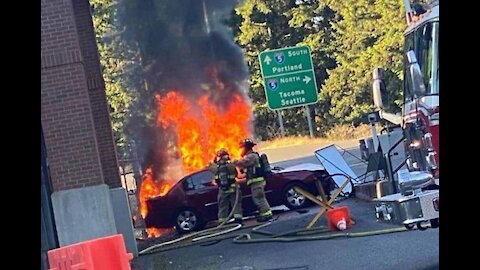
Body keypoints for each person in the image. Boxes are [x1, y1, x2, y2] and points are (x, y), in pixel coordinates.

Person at [233, 139, 273, 222]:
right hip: (256, 182)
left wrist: (234, 161)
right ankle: (265, 214)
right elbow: (246, 170)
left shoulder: (251, 156)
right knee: (259, 199)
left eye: (241, 148)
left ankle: (267, 215)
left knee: (259, 199)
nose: (240, 150)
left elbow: (244, 163)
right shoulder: (252, 156)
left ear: (246, 148)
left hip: (257, 182)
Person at [208, 149, 243, 225]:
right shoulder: (231, 165)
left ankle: (222, 221)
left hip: (223, 189)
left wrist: (214, 160)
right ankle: (238, 219)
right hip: (234, 188)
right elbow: (236, 174)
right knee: (236, 204)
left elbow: (210, 167)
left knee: (223, 205)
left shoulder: (216, 167)